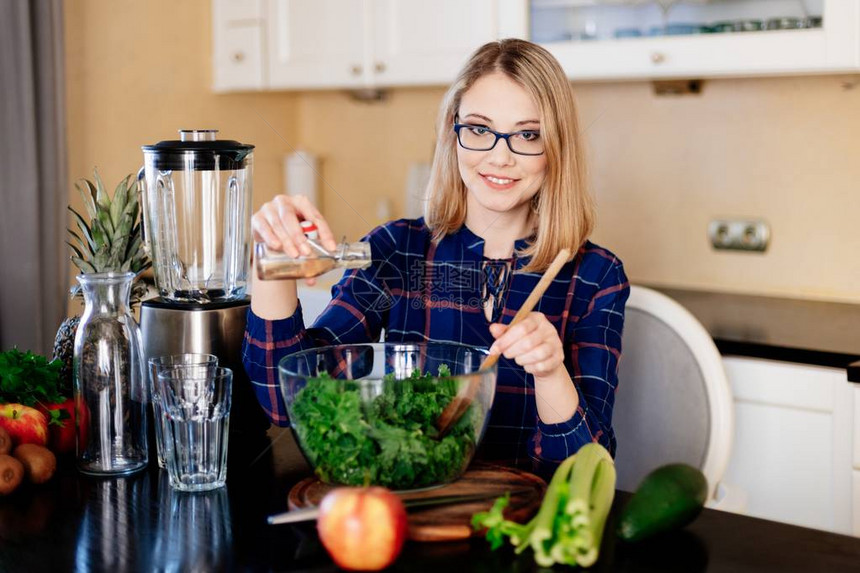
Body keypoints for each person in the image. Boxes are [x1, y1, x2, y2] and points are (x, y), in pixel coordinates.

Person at [243, 39, 629, 474]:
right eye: (480, 129)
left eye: (527, 134)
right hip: (413, 513)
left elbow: (587, 470)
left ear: (555, 147)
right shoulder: (397, 251)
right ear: (453, 132)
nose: (499, 157)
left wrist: (550, 372)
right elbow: (284, 403)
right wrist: (271, 265)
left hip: (522, 525)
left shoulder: (596, 277)